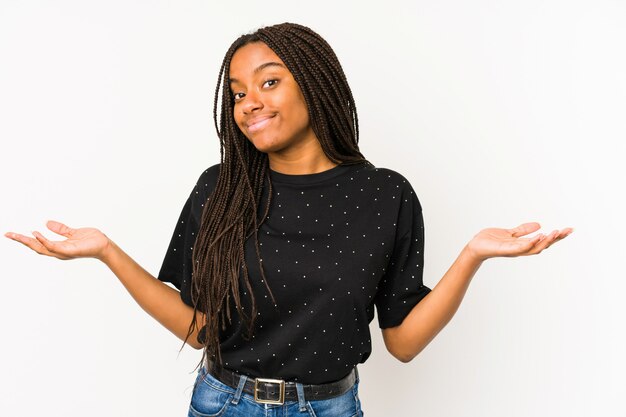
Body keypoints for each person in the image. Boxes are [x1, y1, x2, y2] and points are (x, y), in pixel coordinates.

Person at [4, 22, 572, 417]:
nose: (248, 102)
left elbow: (401, 341)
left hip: (331, 406)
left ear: (315, 84)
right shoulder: (221, 190)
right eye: (237, 92)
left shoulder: (385, 195)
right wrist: (106, 250)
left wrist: (472, 254)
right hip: (224, 403)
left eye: (268, 82)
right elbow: (201, 329)